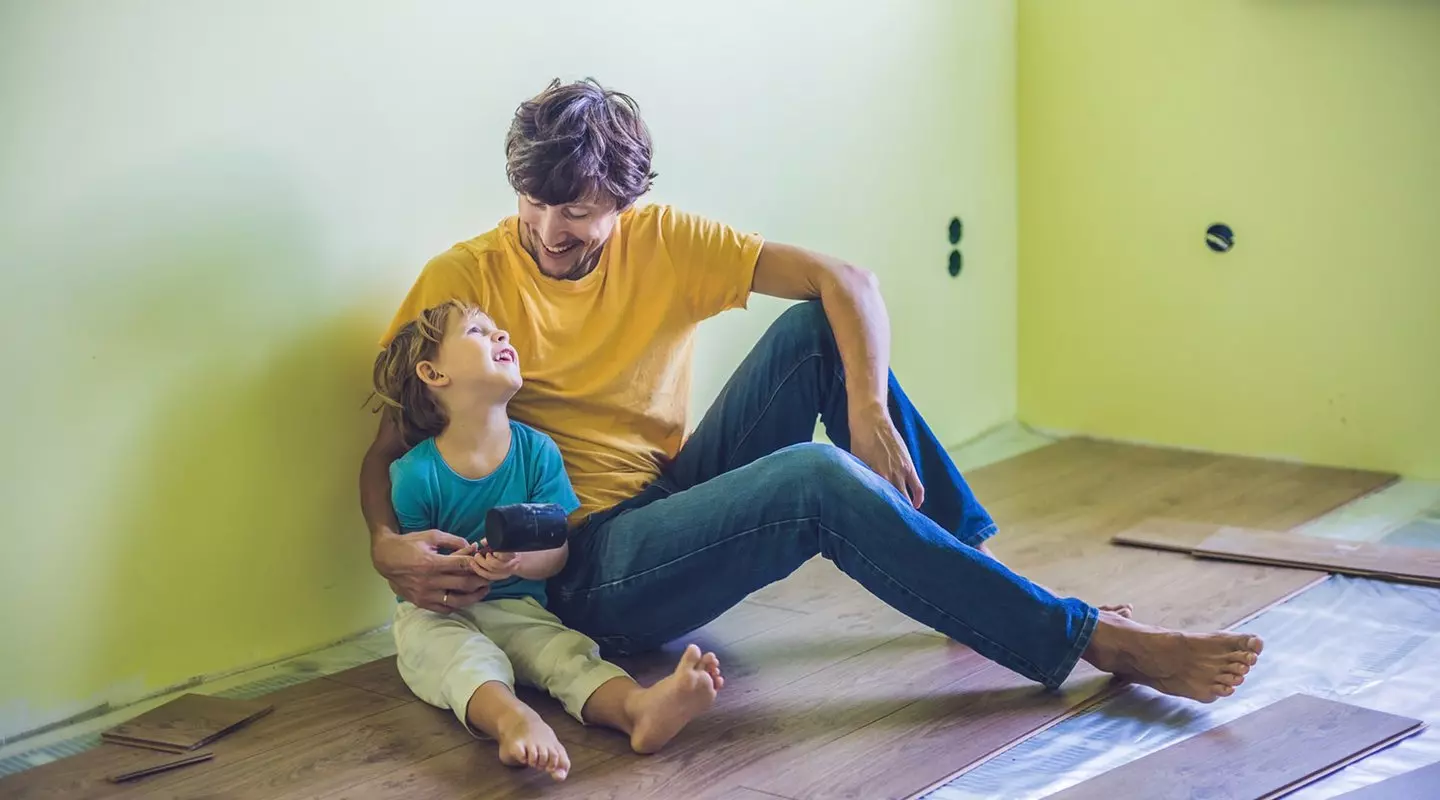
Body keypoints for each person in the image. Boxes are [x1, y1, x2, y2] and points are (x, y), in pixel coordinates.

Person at [360, 78, 1262, 706]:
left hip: (668, 497)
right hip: (585, 568)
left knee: (816, 332)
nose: (550, 230)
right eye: (533, 202)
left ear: (625, 203)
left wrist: (865, 406)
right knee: (813, 477)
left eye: (579, 212)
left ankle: (983, 581)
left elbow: (848, 281)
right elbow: (390, 443)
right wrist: (383, 543)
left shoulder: (664, 241)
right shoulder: (465, 281)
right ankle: (1087, 638)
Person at [372, 300, 724, 781]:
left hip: (519, 607)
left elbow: (556, 552)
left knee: (567, 654)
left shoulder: (538, 453)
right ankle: (513, 720)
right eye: (477, 331)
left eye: (499, 330)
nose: (501, 336)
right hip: (437, 615)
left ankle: (637, 709)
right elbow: (417, 571)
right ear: (434, 374)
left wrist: (516, 562)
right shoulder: (415, 474)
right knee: (460, 658)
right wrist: (459, 570)